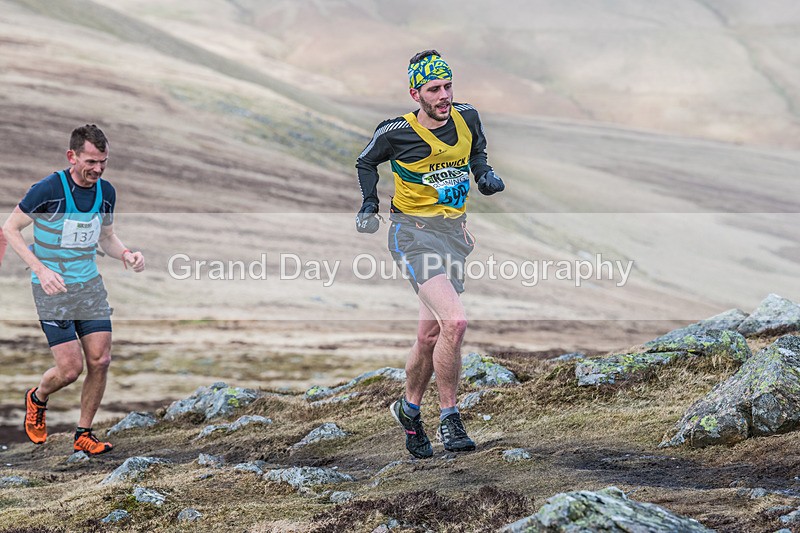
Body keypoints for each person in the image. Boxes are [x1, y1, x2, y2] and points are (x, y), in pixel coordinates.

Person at [355, 50, 505, 458]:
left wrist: (484, 176)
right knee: (455, 321)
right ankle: (450, 418)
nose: (444, 95)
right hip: (413, 236)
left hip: (453, 237)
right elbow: (365, 162)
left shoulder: (467, 116)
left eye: (448, 86)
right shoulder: (395, 133)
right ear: (415, 93)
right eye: (434, 89)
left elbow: (477, 151)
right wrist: (369, 205)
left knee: (430, 335)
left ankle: (408, 411)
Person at [2, 124, 145, 455]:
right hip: (52, 290)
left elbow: (106, 236)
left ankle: (84, 432)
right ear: (72, 156)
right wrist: (40, 269)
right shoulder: (48, 189)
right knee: (70, 369)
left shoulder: (105, 192)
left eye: (103, 162)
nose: (97, 169)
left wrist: (126, 254)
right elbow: (10, 228)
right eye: (91, 161)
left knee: (101, 359)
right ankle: (37, 398)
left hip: (89, 287)